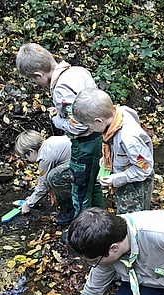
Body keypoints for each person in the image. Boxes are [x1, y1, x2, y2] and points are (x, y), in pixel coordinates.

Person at [16, 43, 103, 220]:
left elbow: (80, 125)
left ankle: (83, 232)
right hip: (98, 137)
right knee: (93, 185)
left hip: (84, 143)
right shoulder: (78, 71)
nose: (36, 84)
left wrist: (58, 120)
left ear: (38, 74)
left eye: (34, 80)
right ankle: (101, 222)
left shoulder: (61, 89)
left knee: (81, 191)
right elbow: (86, 107)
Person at [72, 88, 154, 213]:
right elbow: (114, 147)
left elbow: (144, 169)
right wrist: (106, 160)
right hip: (124, 175)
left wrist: (115, 179)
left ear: (99, 121)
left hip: (136, 186)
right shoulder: (116, 114)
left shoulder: (129, 139)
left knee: (130, 219)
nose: (90, 129)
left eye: (88, 126)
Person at [14, 129, 75, 225]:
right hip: (81, 159)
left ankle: (70, 210)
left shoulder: (45, 158)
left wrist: (29, 204)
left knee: (54, 177)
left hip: (79, 168)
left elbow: (44, 185)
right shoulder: (50, 141)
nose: (26, 160)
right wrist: (32, 198)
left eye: (25, 156)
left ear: (32, 151)